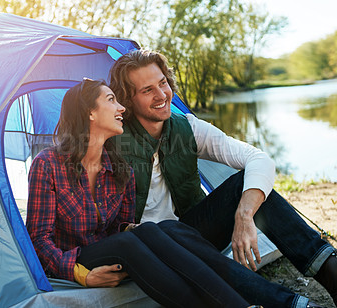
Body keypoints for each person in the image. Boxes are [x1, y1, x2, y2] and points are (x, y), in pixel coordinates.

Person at [26, 78, 284, 307]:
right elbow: (38, 240)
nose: (122, 109)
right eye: (111, 100)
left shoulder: (119, 167)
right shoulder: (48, 164)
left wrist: (144, 233)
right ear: (90, 113)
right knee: (132, 240)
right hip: (79, 258)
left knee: (154, 229)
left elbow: (118, 228)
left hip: (115, 251)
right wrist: (81, 274)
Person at [109, 49, 337, 307]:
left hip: (189, 232)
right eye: (147, 90)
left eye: (162, 83)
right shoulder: (110, 141)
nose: (162, 95)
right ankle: (296, 305)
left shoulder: (188, 127)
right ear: (128, 99)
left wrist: (244, 215)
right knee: (174, 237)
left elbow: (258, 159)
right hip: (146, 248)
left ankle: (332, 272)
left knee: (247, 185)